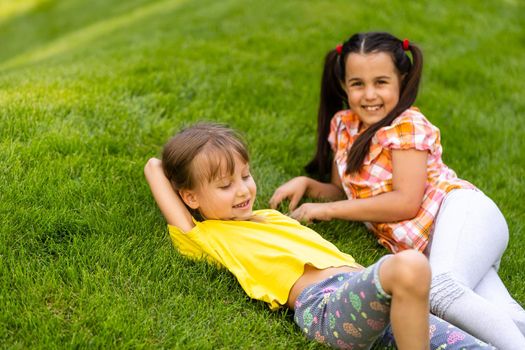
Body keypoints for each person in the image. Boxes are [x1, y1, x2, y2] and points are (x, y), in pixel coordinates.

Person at [269, 31, 525, 349]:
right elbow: (343, 191)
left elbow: (404, 202)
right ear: (343, 85)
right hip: (438, 246)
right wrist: (308, 184)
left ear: (401, 80)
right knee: (505, 315)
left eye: (381, 82)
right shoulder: (343, 126)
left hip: (462, 214)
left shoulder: (406, 125)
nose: (369, 94)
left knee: (440, 291)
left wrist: (326, 211)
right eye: (357, 84)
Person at [145, 122, 493, 349]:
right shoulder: (206, 235)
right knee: (410, 267)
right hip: (327, 306)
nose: (242, 191)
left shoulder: (268, 216)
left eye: (245, 176)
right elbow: (154, 167)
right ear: (190, 197)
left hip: (381, 300)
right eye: (224, 185)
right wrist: (183, 159)